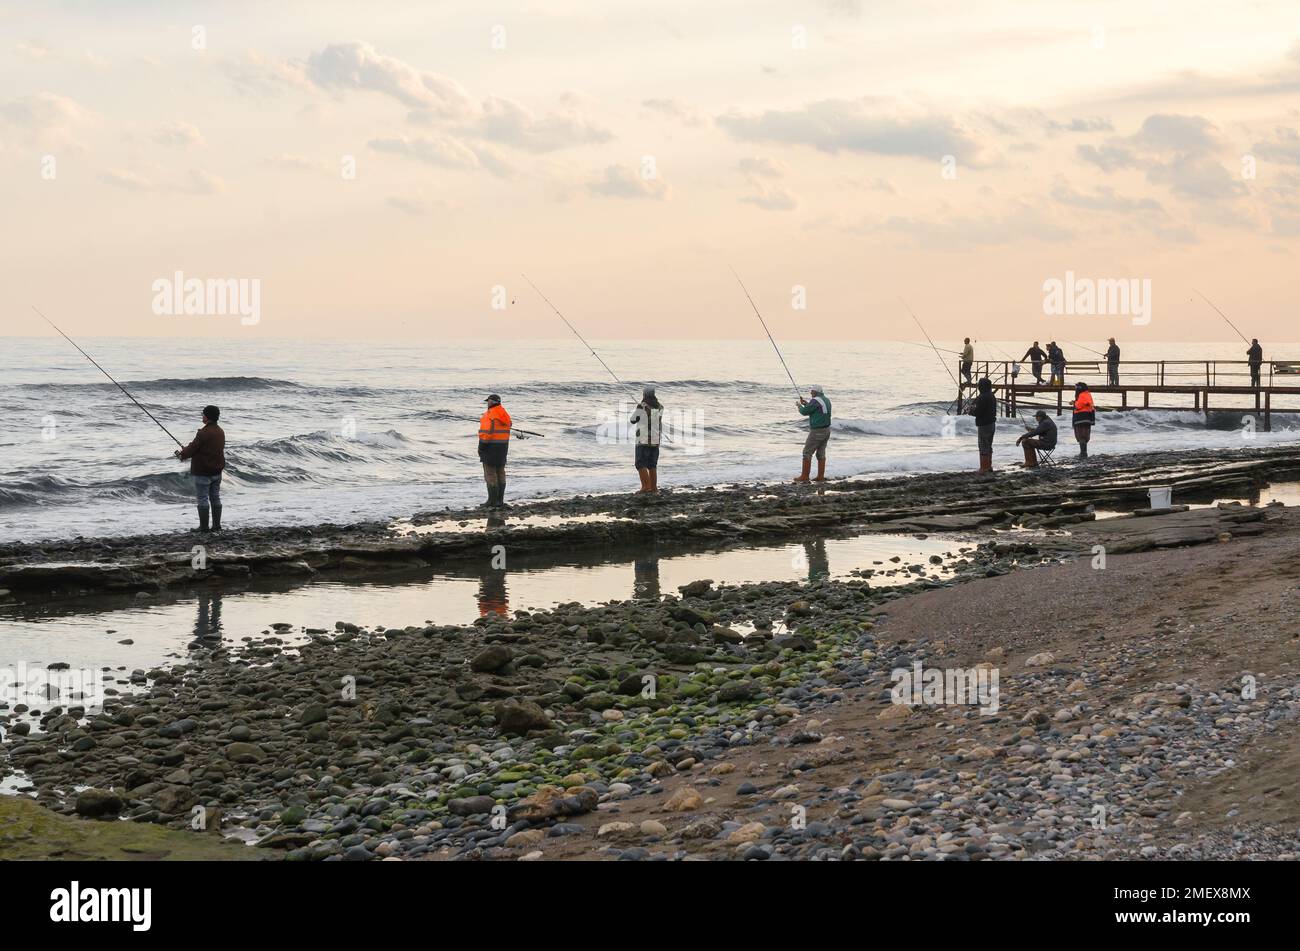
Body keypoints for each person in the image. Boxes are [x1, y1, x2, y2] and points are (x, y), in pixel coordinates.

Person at [174, 404, 225, 532]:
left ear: (207, 417)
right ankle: (216, 526)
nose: (202, 416)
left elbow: (192, 449)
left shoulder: (203, 433)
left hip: (203, 472)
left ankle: (203, 527)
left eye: (203, 414)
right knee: (215, 497)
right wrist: (187, 451)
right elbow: (202, 448)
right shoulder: (220, 431)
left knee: (203, 498)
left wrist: (182, 454)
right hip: (217, 471)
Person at [478, 393, 512, 508]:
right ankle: (499, 501)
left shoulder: (489, 415)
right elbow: (509, 425)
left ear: (491, 402)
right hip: (503, 447)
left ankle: (491, 501)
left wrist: (481, 447)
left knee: (490, 474)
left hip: (490, 447)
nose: (487, 403)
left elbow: (486, 434)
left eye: (488, 401)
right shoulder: (505, 414)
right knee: (500, 473)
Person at [629, 385, 663, 493]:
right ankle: (653, 488)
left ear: (644, 394)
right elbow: (652, 419)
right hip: (655, 439)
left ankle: (645, 486)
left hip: (643, 439)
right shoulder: (660, 407)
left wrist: (639, 408)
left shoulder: (642, 406)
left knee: (640, 463)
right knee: (652, 464)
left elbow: (633, 420)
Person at [795, 384, 832, 483]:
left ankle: (804, 476)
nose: (811, 393)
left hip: (817, 431)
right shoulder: (826, 400)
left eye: (812, 391)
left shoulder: (815, 400)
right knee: (821, 453)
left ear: (815, 392)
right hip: (827, 430)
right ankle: (820, 477)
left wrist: (799, 406)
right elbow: (816, 410)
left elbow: (804, 412)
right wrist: (807, 404)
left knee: (807, 452)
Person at [968, 376, 996, 473]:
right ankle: (988, 466)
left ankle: (984, 468)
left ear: (981, 386)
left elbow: (978, 412)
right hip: (992, 423)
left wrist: (971, 411)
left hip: (984, 424)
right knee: (988, 445)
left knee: (983, 445)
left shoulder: (982, 397)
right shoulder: (991, 395)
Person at [1072, 381, 1095, 459]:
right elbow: (1085, 403)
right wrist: (1075, 402)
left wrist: (1074, 403)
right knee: (1085, 436)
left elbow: (1079, 406)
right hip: (1087, 417)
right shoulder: (1087, 394)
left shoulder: (1082, 395)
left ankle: (1083, 453)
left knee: (1081, 436)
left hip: (1081, 417)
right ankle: (1083, 452)